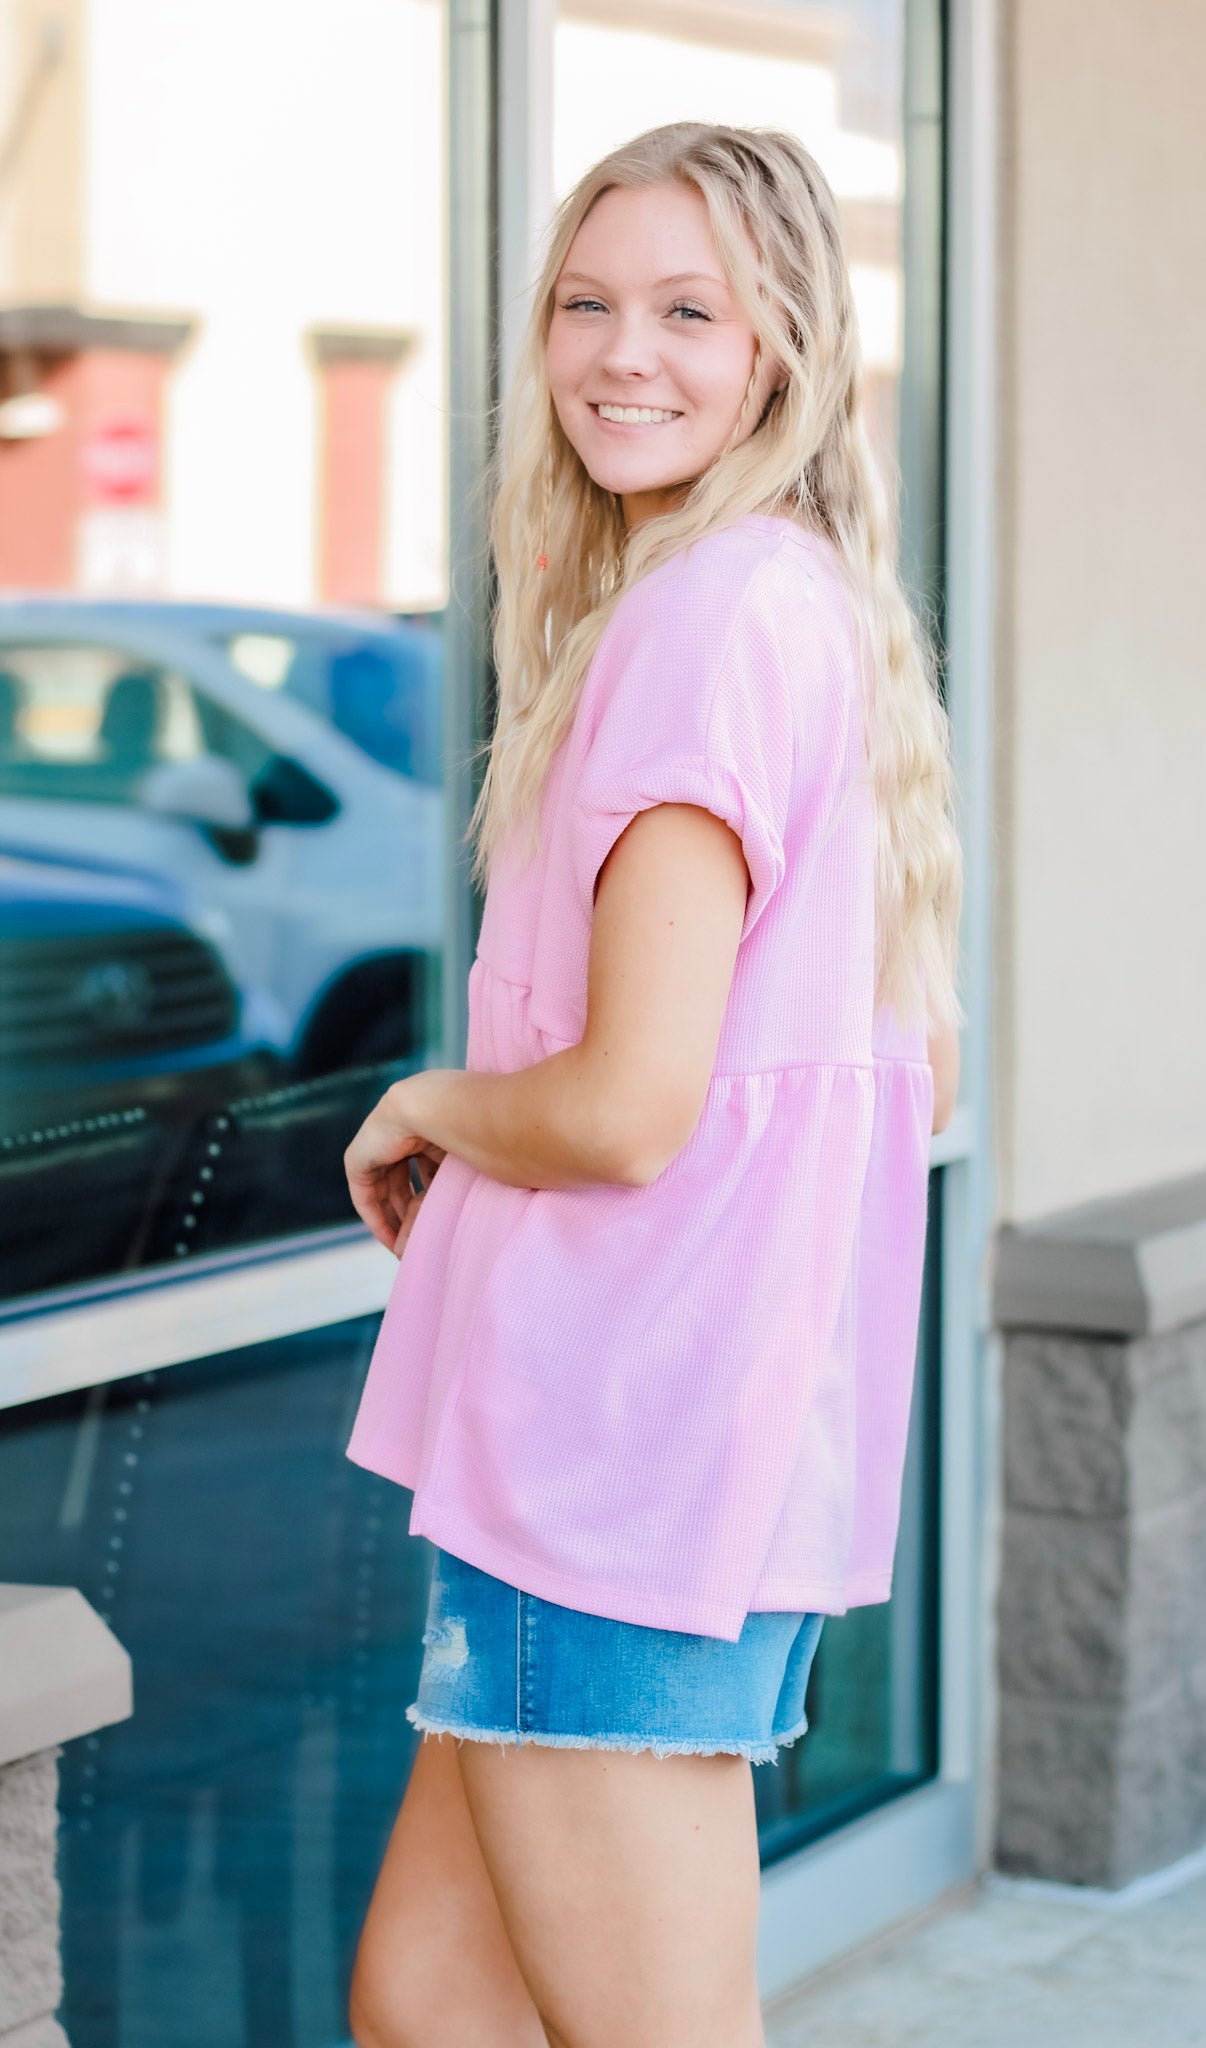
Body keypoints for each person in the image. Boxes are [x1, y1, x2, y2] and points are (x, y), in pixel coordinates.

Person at [342, 120, 964, 2048]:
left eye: (689, 311)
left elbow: (624, 1108)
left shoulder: (703, 624)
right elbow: (915, 1071)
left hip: (611, 1463)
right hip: (659, 1456)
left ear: (782, 347)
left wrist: (432, 1103)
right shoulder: (798, 602)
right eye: (586, 303)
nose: (623, 353)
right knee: (426, 2000)